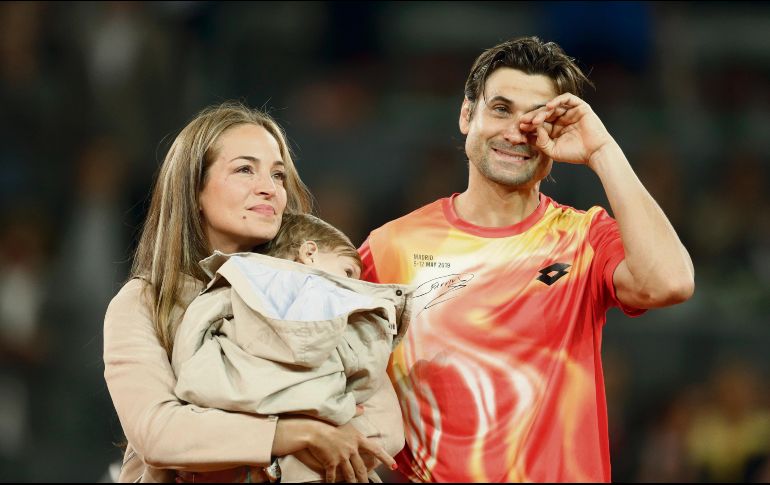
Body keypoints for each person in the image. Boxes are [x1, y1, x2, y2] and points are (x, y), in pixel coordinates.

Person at [359, 36, 695, 482]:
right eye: (501, 109)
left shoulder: (584, 238)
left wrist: (602, 151)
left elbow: (670, 282)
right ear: (467, 115)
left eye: (537, 118)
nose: (517, 131)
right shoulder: (390, 247)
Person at [103, 102, 397, 483]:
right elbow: (159, 432)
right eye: (244, 170)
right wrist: (300, 433)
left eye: (278, 175)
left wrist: (251, 454)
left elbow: (384, 425)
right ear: (194, 190)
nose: (269, 189)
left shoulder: (320, 288)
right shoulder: (144, 302)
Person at [171, 213, 412, 482]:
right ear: (309, 253)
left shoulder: (227, 289)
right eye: (348, 273)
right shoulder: (354, 317)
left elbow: (191, 371)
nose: (352, 287)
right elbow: (386, 436)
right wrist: (326, 421)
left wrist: (272, 434)